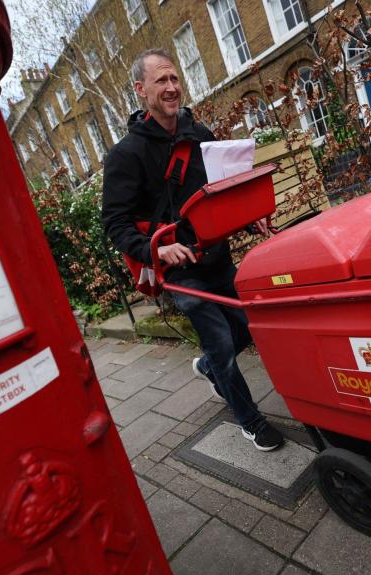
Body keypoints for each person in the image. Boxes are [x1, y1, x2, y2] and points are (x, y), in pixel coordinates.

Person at [101, 48, 284, 452]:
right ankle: (249, 419)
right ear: (140, 90)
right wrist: (157, 252)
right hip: (178, 267)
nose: (171, 88)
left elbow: (222, 190)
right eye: (161, 81)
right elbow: (114, 223)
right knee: (220, 341)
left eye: (174, 79)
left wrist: (248, 215)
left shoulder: (198, 134)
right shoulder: (124, 156)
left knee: (243, 329)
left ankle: (207, 368)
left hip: (217, 255)